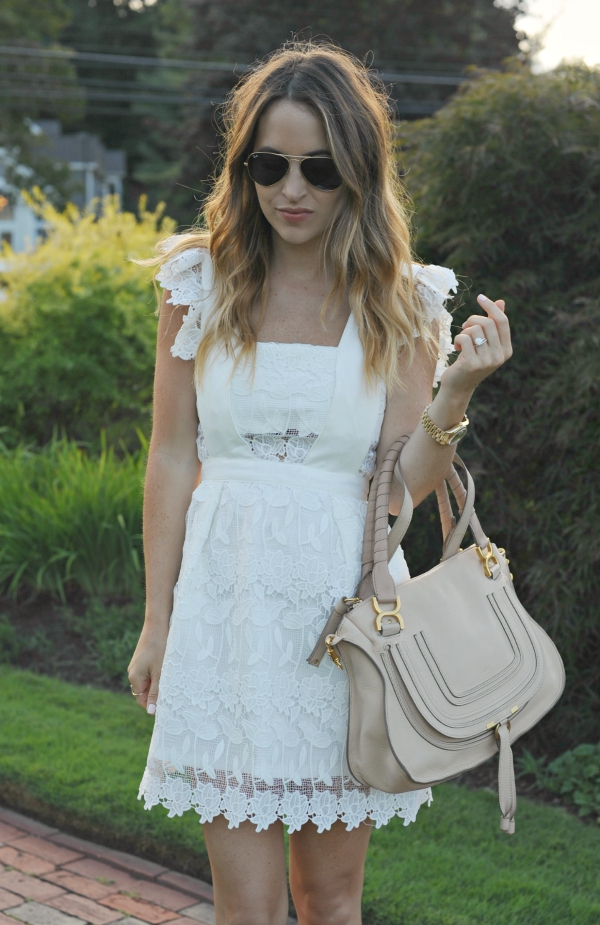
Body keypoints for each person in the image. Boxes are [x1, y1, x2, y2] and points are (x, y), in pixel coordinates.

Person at [128, 42, 512, 925]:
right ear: (244, 169)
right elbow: (173, 454)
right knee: (248, 907)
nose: (292, 189)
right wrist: (158, 620)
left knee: (331, 900)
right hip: (226, 620)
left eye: (320, 168)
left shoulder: (405, 301)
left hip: (347, 625)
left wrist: (453, 394)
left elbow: (399, 487)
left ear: (359, 173)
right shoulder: (198, 284)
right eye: (269, 165)